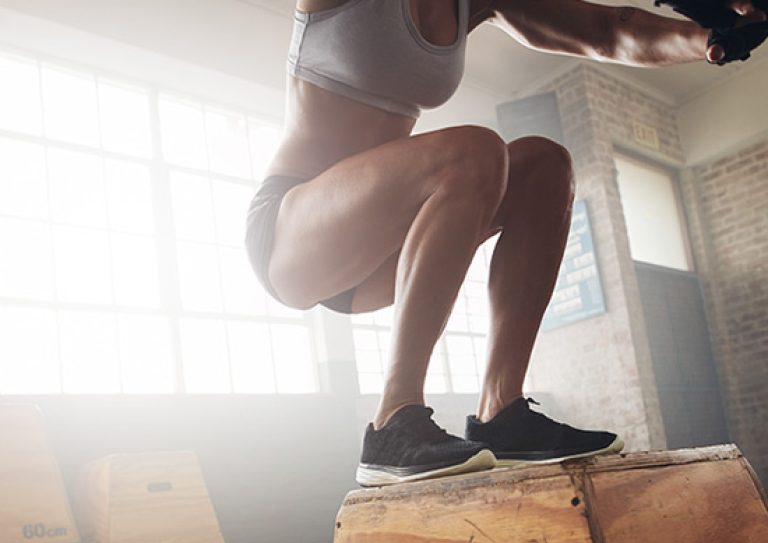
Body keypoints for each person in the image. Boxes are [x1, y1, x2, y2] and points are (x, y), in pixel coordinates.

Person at [246, 0, 766, 487]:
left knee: (545, 165)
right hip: (293, 235)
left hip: (383, 252)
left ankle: (502, 413)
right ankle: (392, 423)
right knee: (473, 151)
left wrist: (707, 37)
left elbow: (610, 31)